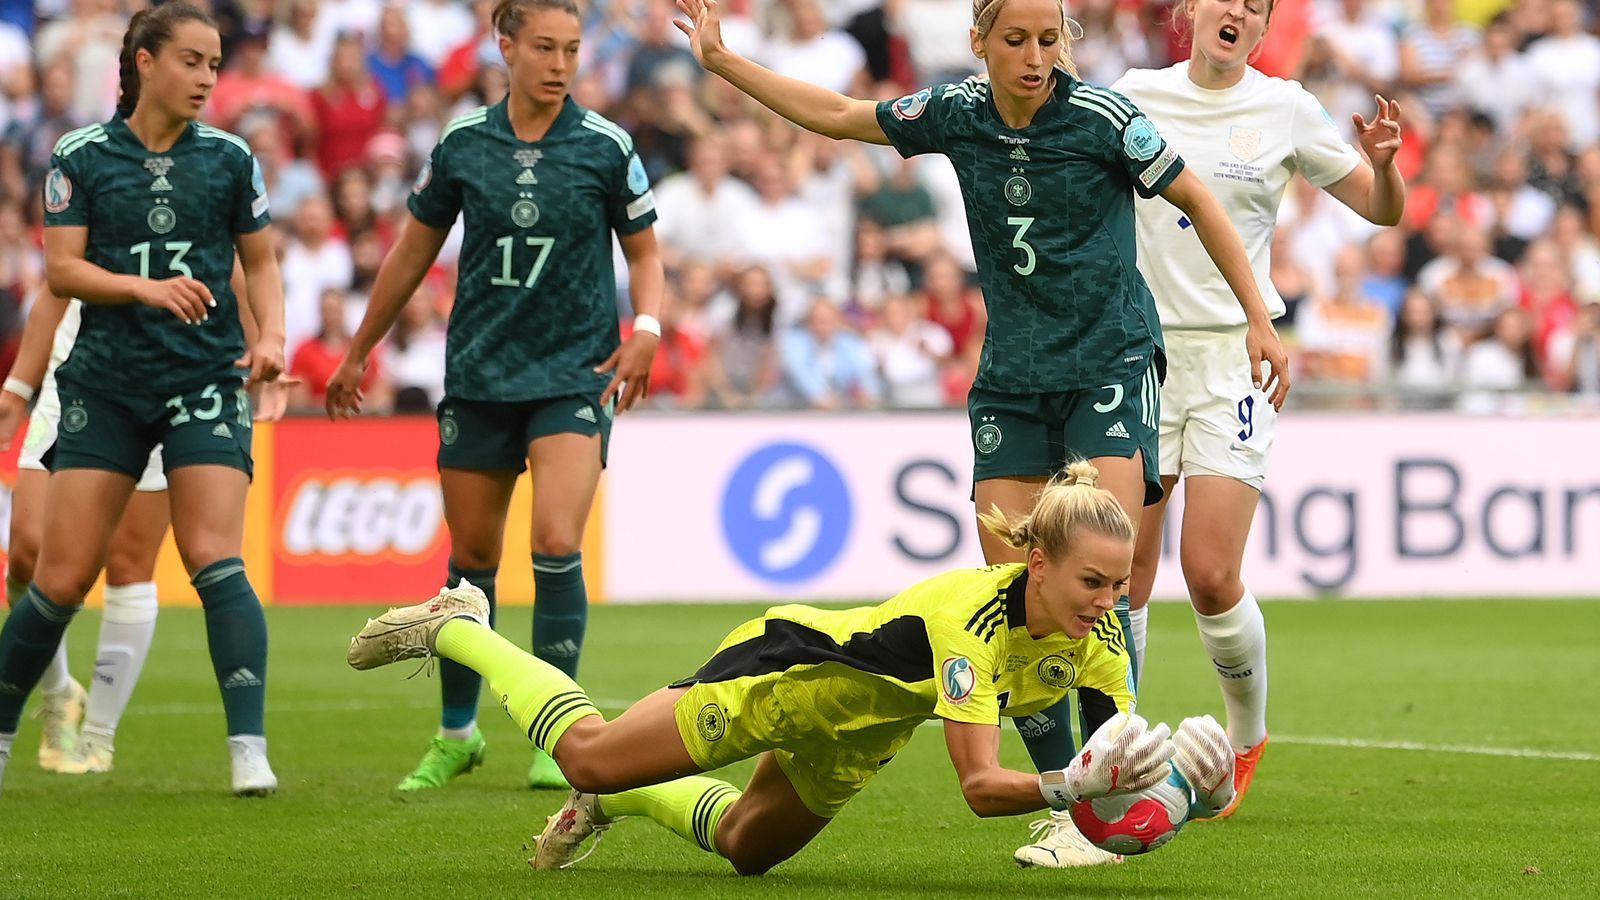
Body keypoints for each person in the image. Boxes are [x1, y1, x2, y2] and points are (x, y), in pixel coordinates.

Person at [672, 0, 1287, 867]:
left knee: (1095, 571)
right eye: (1016, 41)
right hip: (1011, 382)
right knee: (1020, 595)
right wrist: (726, 63)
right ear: (980, 43)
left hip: (1108, 363)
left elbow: (1198, 198)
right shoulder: (956, 113)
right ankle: (1071, 801)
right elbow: (844, 118)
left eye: (1048, 40)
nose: (1035, 58)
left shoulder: (1106, 119)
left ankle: (1111, 797)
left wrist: (1257, 315)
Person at [347, 462, 1239, 875]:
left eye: (1119, 585)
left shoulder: (1102, 639)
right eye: (1093, 581)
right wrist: (1066, 786)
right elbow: (981, 787)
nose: (1107, 600)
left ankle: (618, 799)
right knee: (583, 752)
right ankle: (463, 624)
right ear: (1036, 563)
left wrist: (1186, 801)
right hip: (782, 683)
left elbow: (1109, 803)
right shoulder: (973, 617)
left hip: (860, 736)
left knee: (745, 852)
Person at [1084, 0, 1404, 852]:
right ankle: (1120, 744)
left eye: (1256, 5)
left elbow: (1381, 210)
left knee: (1212, 572)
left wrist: (1386, 168)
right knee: (1126, 574)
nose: (1237, 11)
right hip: (1139, 354)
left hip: (1238, 356)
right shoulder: (1133, 94)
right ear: (1190, 12)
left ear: (1265, 26)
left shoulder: (1287, 107)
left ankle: (1245, 735)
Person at [324, 0, 664, 793]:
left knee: (554, 543)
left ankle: (558, 737)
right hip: (479, 377)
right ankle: (457, 734)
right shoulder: (462, 144)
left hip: (575, 376)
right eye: (543, 46)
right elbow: (411, 254)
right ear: (504, 45)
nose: (559, 62)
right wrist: (357, 351)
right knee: (472, 564)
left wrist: (646, 325)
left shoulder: (606, 146)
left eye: (572, 48)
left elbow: (646, 254)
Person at [0, 2, 287, 796]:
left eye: (215, 65)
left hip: (203, 381)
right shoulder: (81, 155)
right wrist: (141, 290)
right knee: (56, 576)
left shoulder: (230, 158)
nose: (206, 79)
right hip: (105, 383)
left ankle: (247, 749)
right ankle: (6, 732)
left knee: (213, 557)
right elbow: (61, 273)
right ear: (145, 62)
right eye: (191, 61)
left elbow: (261, 265)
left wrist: (270, 339)